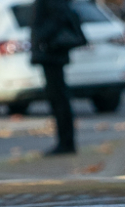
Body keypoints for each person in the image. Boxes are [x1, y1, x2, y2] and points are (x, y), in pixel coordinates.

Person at [29, 0, 86, 157]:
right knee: (57, 97)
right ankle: (64, 141)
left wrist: (42, 38)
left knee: (59, 98)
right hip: (50, 53)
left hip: (52, 53)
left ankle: (66, 142)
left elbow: (57, 18)